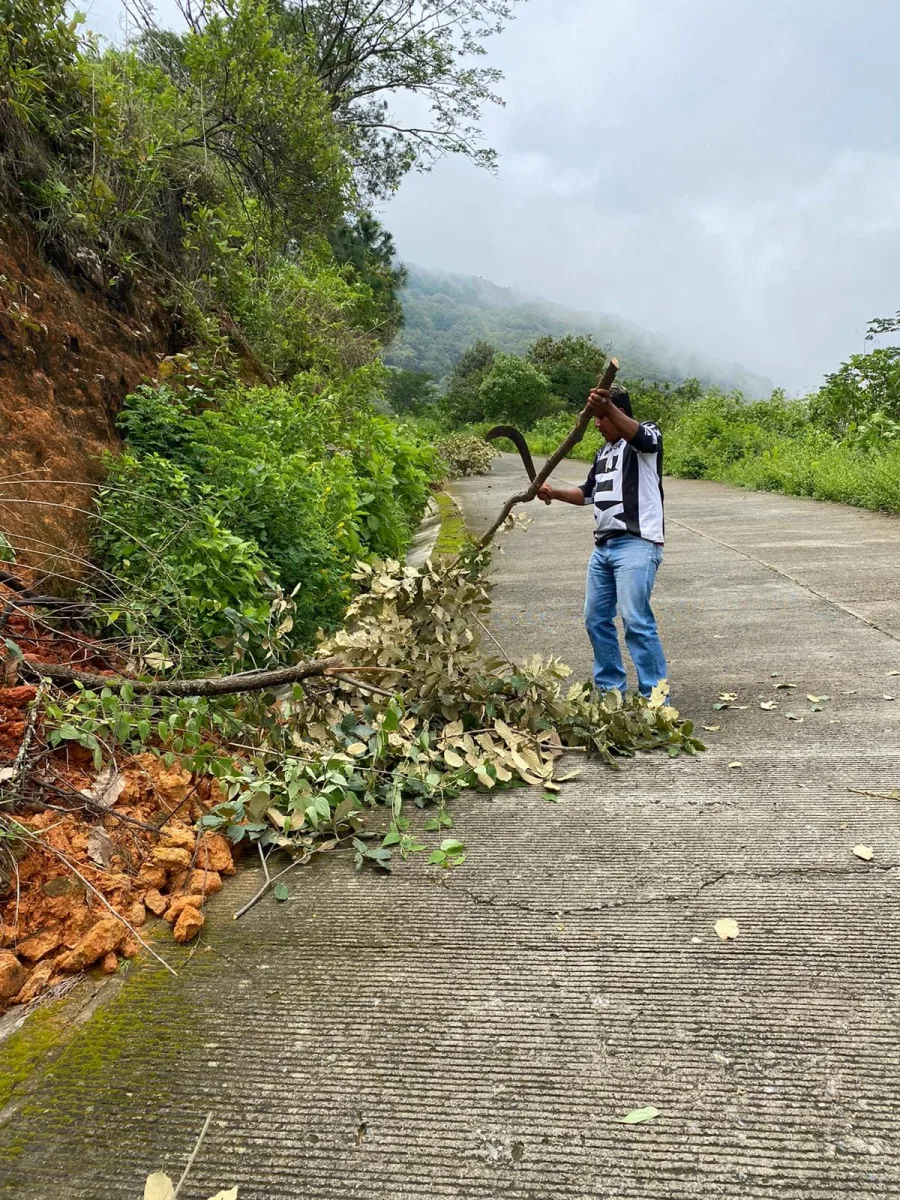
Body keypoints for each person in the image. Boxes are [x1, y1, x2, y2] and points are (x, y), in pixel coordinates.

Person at [534, 383, 668, 699]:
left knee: (636, 620)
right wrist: (553, 492)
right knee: (596, 619)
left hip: (637, 543)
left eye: (601, 417)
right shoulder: (604, 453)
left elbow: (645, 441)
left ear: (616, 411)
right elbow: (587, 493)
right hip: (603, 549)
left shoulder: (646, 435)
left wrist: (606, 406)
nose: (596, 424)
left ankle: (655, 697)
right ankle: (611, 691)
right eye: (594, 417)